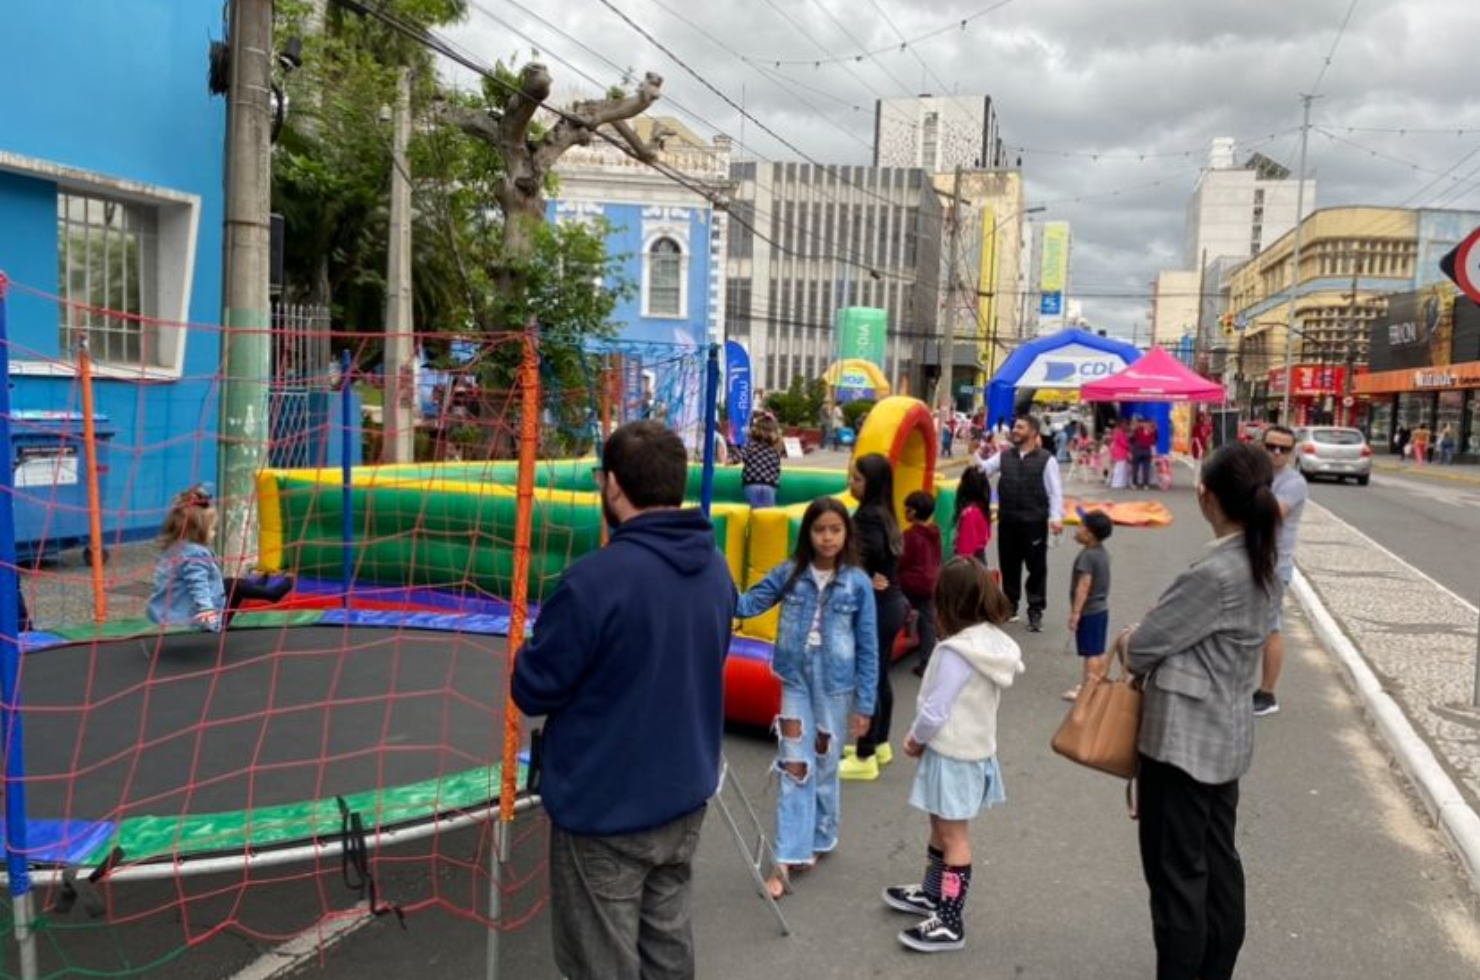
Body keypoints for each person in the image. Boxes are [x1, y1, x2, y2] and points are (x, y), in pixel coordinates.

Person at [511, 421, 737, 980]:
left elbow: (534, 687)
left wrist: (528, 650)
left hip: (606, 807)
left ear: (612, 485)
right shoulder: (715, 568)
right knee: (667, 948)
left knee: (601, 961)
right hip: (684, 795)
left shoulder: (594, 581)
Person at [1113, 442, 1279, 980]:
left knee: (1177, 878)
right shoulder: (1259, 559)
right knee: (1218, 865)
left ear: (1205, 496)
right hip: (1223, 739)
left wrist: (1130, 636)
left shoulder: (1215, 573)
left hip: (1181, 745)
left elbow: (1142, 647)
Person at [735, 497, 877, 899]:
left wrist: (865, 704)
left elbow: (869, 645)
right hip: (795, 681)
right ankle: (786, 859)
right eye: (820, 530)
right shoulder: (790, 573)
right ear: (808, 534)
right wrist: (710, 578)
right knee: (796, 764)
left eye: (835, 529)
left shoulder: (858, 583)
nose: (828, 537)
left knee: (826, 762)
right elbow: (747, 604)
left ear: (846, 533)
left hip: (836, 686)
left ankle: (821, 835)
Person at [882, 557, 1021, 953]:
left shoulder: (956, 653)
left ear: (948, 601)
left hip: (952, 754)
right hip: (972, 752)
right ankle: (932, 894)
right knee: (940, 827)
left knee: (953, 835)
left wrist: (915, 739)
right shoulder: (991, 643)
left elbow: (935, 710)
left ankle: (949, 920)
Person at [841, 453, 909, 781]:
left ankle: (865, 754)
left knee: (868, 679)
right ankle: (879, 742)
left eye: (856, 479)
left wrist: (863, 575)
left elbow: (869, 554)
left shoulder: (868, 518)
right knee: (879, 677)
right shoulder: (885, 513)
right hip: (891, 603)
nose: (850, 484)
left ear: (872, 485)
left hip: (879, 608)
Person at [147, 485, 293, 631]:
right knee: (234, 586)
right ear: (198, 531)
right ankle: (271, 594)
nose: (214, 533)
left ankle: (253, 587)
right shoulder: (195, 555)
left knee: (231, 585)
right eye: (212, 529)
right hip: (193, 622)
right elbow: (199, 589)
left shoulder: (174, 548)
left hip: (167, 613)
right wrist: (210, 621)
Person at [977, 416, 1064, 633]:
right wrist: (974, 452)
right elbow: (984, 469)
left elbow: (1055, 492)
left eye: (1020, 427)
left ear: (1033, 433)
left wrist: (1056, 518)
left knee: (1036, 568)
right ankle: (1010, 606)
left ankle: (1035, 610)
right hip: (1008, 521)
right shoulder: (1004, 456)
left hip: (1034, 522)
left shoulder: (1047, 459)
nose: (1014, 430)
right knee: (1009, 566)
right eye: (1015, 426)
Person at [1253, 424, 1308, 718]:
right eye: (1270, 446)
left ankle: (1267, 693)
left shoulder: (1294, 482)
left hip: (1273, 566)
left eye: (1283, 449)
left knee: (1270, 629)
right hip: (1247, 560)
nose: (1276, 453)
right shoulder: (1254, 475)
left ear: (1291, 452)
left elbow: (1271, 513)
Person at [1063, 510, 1114, 701]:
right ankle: (1097, 683)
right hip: (1101, 609)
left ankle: (1087, 688)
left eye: (1080, 527)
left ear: (1090, 534)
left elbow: (1084, 585)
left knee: (1091, 654)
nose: (1076, 530)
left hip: (1089, 610)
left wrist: (1076, 613)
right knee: (1098, 650)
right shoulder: (1102, 553)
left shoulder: (1087, 557)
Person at [899, 490, 943, 677]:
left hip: (912, 583)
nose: (904, 513)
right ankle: (929, 657)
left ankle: (924, 658)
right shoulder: (935, 532)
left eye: (907, 510)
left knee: (898, 604)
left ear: (914, 513)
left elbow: (902, 561)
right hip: (931, 580)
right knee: (928, 619)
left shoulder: (910, 536)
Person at [739, 415, 783, 508]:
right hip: (769, 484)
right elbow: (777, 468)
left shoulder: (750, 444)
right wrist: (776, 483)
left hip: (752, 482)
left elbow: (741, 456)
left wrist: (730, 460)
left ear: (756, 429)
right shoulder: (775, 447)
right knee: (766, 515)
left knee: (755, 512)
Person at [953, 466, 992, 564]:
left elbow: (965, 550)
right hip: (979, 559)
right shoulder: (981, 508)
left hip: (970, 564)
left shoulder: (969, 513)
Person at [1131, 418, 1157, 490]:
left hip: (1137, 451)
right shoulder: (1152, 432)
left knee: (1135, 468)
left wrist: (1136, 425)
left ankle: (1134, 484)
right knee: (1146, 469)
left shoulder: (1138, 431)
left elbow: (1132, 438)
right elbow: (1154, 441)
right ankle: (1145, 485)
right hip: (1147, 451)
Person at [1110, 421, 1131, 489]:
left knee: (1121, 468)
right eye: (1124, 424)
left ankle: (1120, 483)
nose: (1125, 426)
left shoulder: (1117, 432)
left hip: (1119, 451)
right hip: (1120, 452)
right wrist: (1129, 446)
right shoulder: (1119, 432)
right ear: (1120, 425)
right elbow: (1123, 443)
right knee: (1120, 468)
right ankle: (1117, 483)